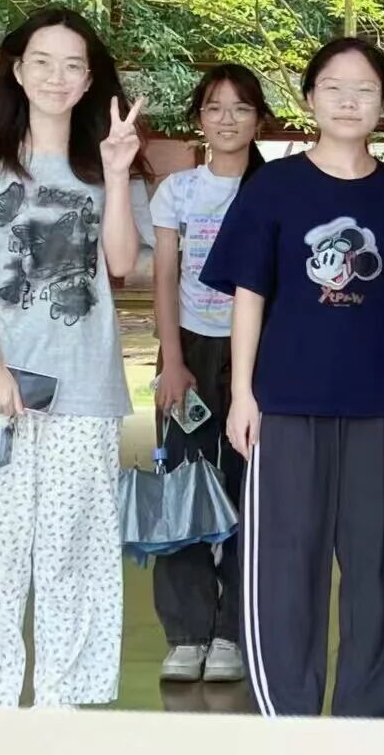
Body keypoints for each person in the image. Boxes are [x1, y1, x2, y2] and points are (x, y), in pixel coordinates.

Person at [202, 37, 384, 717]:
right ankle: (290, 719)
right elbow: (248, 294)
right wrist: (242, 394)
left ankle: (363, 718)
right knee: (285, 569)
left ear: (383, 104)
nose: (348, 101)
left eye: (365, 89)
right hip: (287, 403)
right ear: (309, 99)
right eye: (333, 87)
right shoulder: (273, 187)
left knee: (381, 572)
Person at [0, 7, 152, 707]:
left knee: (75, 549)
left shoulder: (111, 163)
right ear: (18, 71)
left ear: (89, 80)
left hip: (84, 387)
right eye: (43, 62)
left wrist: (116, 173)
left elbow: (121, 263)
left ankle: (68, 707)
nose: (57, 77)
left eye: (73, 65)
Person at [151, 63, 272, 685]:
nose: (227, 119)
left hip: (262, 353)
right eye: (215, 107)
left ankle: (232, 631)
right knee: (185, 488)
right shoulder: (178, 191)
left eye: (241, 108)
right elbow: (165, 279)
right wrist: (172, 361)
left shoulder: (274, 188)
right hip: (192, 350)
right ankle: (187, 632)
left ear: (260, 120)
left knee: (254, 492)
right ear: (198, 117)